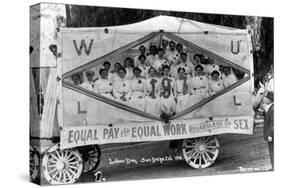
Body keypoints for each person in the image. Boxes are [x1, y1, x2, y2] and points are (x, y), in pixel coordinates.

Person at [262, 91, 274, 169]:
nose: (265, 99)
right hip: (271, 134)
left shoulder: (273, 109)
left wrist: (270, 134)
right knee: (271, 150)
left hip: (272, 134)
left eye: (266, 98)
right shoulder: (270, 107)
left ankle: (274, 167)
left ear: (270, 99)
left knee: (273, 150)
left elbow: (273, 123)